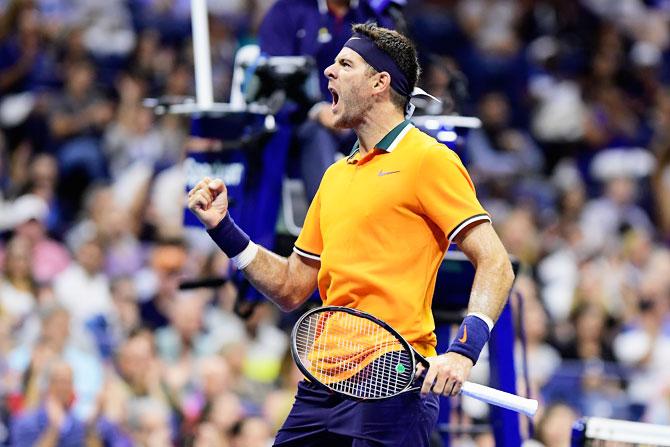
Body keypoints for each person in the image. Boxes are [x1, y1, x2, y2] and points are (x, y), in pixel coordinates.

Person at [188, 23, 514, 446]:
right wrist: (224, 229)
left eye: (345, 64)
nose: (328, 71)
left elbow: (496, 263)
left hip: (394, 381)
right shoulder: (334, 177)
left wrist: (463, 351)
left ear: (380, 83)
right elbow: (291, 286)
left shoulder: (429, 160)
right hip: (322, 383)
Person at [257, 0, 397, 201]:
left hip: (359, 117)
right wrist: (316, 109)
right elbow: (274, 80)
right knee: (317, 135)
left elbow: (389, 76)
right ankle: (329, 221)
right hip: (301, 121)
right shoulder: (287, 11)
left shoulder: (374, 16)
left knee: (400, 134)